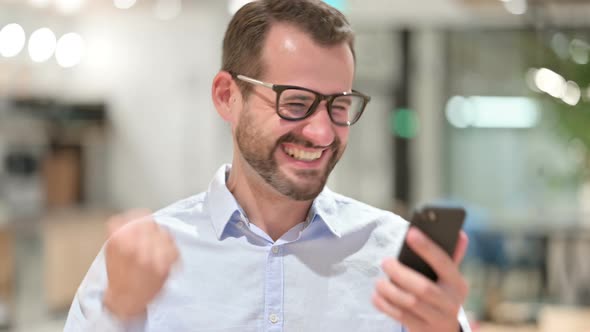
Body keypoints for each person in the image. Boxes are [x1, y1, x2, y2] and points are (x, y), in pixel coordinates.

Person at [64, 0, 471, 331]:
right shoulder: (138, 262)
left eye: (339, 106)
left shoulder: (391, 255)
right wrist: (116, 315)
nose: (322, 133)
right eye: (295, 103)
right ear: (227, 96)